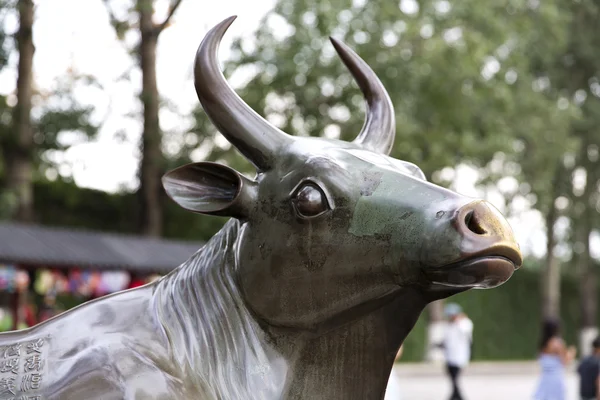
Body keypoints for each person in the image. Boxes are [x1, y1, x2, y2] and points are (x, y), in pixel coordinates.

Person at [533, 318, 577, 400]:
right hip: (555, 378)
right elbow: (565, 361)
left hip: (544, 378)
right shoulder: (557, 343)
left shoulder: (542, 344)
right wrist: (572, 352)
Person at [442, 303, 473, 400]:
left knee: (455, 378)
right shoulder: (448, 325)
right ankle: (455, 395)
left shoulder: (465, 323)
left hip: (459, 356)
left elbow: (465, 332)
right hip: (449, 356)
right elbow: (447, 340)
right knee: (452, 378)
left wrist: (459, 320)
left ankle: (457, 396)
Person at [577, 336, 600, 400]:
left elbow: (579, 371)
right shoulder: (597, 361)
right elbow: (598, 381)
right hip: (593, 396)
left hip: (583, 395)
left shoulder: (584, 359)